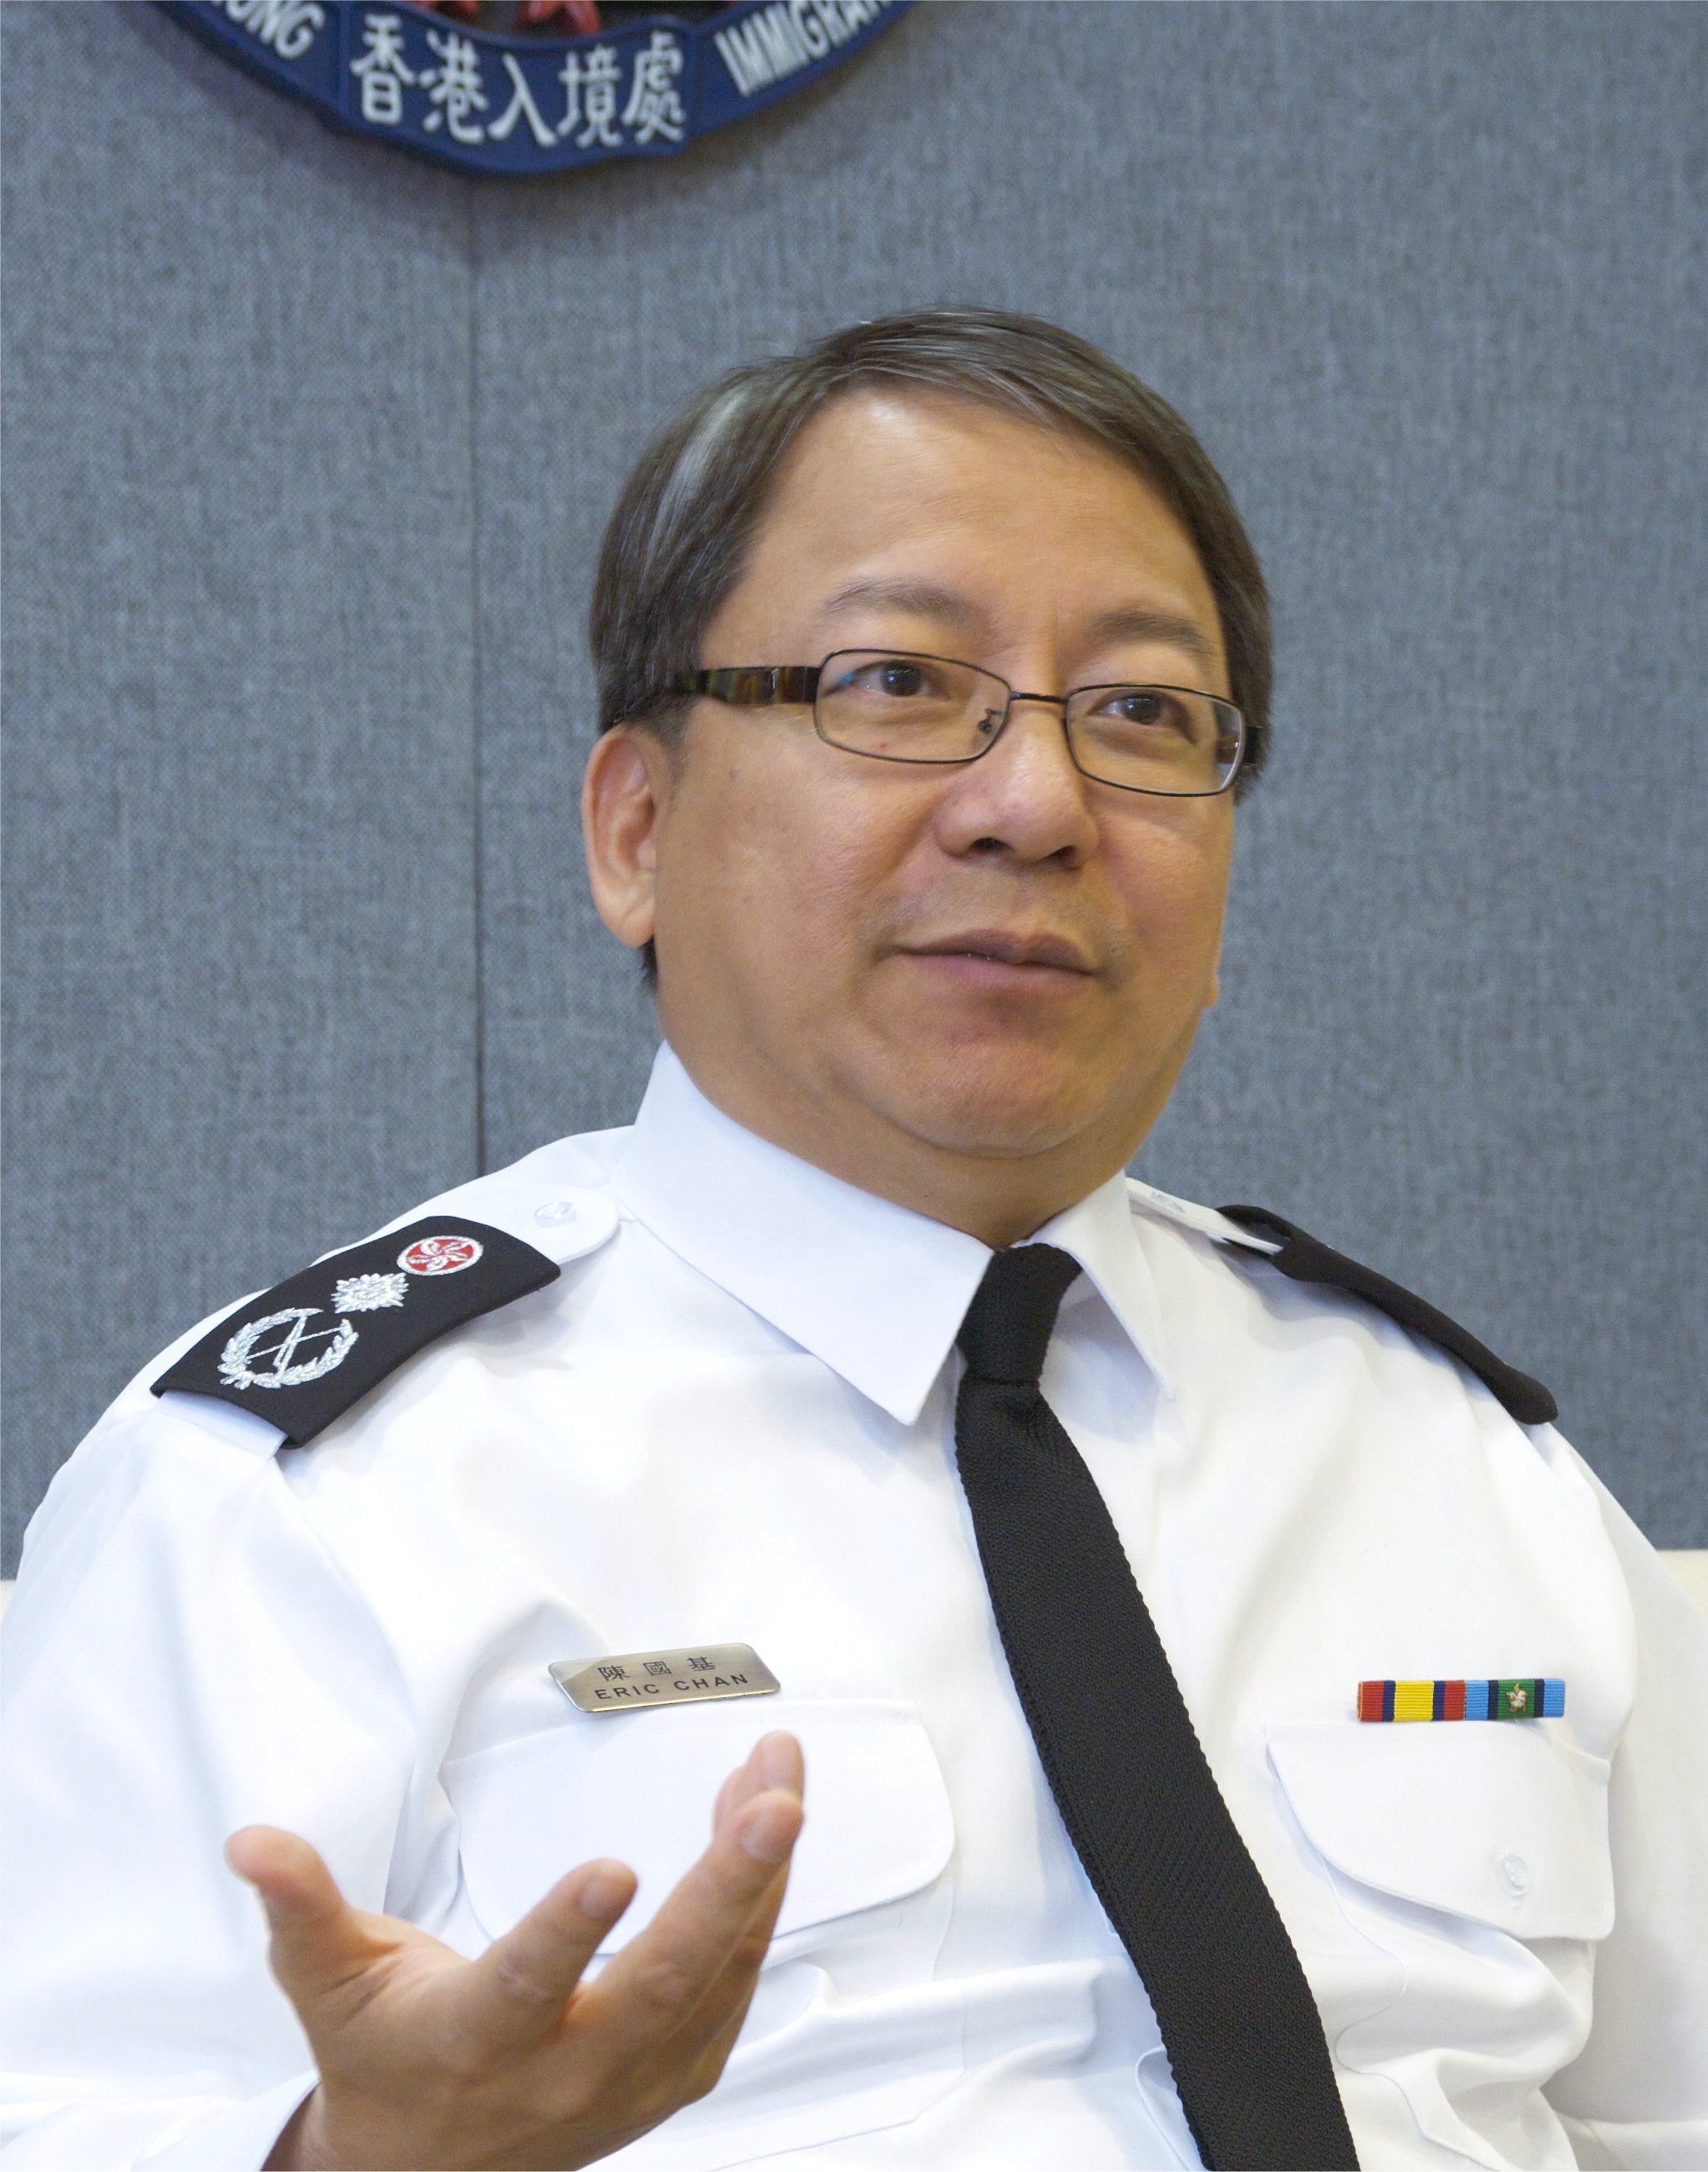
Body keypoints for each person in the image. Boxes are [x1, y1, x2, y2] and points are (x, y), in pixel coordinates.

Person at [3, 309, 1704, 2172]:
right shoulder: (309, 1499)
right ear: (635, 827)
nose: (1035, 806)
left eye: (1141, 714)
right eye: (894, 682)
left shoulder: (1461, 1463)